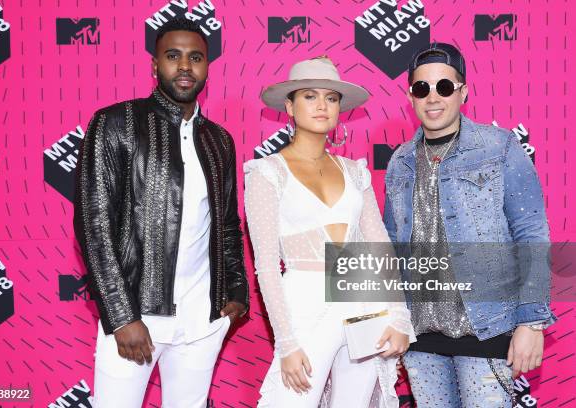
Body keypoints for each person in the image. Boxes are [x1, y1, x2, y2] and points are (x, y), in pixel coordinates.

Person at [73, 18, 249, 408]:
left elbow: (226, 225)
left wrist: (234, 291)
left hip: (202, 322)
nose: (185, 67)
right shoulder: (115, 124)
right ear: (155, 65)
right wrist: (121, 317)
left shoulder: (219, 139)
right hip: (137, 316)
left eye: (195, 58)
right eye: (173, 56)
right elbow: (94, 225)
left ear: (207, 67)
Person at [383, 42, 556, 407]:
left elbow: (531, 236)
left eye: (444, 86)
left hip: (487, 328)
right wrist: (393, 321)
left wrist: (531, 323)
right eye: (422, 88)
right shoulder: (400, 161)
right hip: (420, 338)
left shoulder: (500, 147)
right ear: (411, 96)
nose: (433, 97)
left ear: (463, 91)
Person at [244, 56, 414, 408]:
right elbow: (265, 265)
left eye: (331, 98)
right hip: (304, 308)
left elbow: (379, 246)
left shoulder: (355, 172)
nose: (322, 105)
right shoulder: (266, 173)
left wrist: (398, 315)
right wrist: (286, 342)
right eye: (309, 96)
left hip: (363, 302)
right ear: (289, 107)